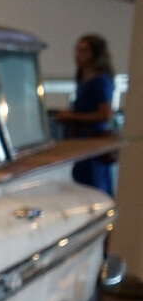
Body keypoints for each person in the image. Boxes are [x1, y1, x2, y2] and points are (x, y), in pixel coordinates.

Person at [55, 34, 116, 196]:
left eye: (83, 51)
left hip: (92, 144)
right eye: (77, 50)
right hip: (81, 142)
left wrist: (72, 117)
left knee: (94, 186)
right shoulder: (84, 80)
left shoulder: (100, 80)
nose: (77, 55)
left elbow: (105, 114)